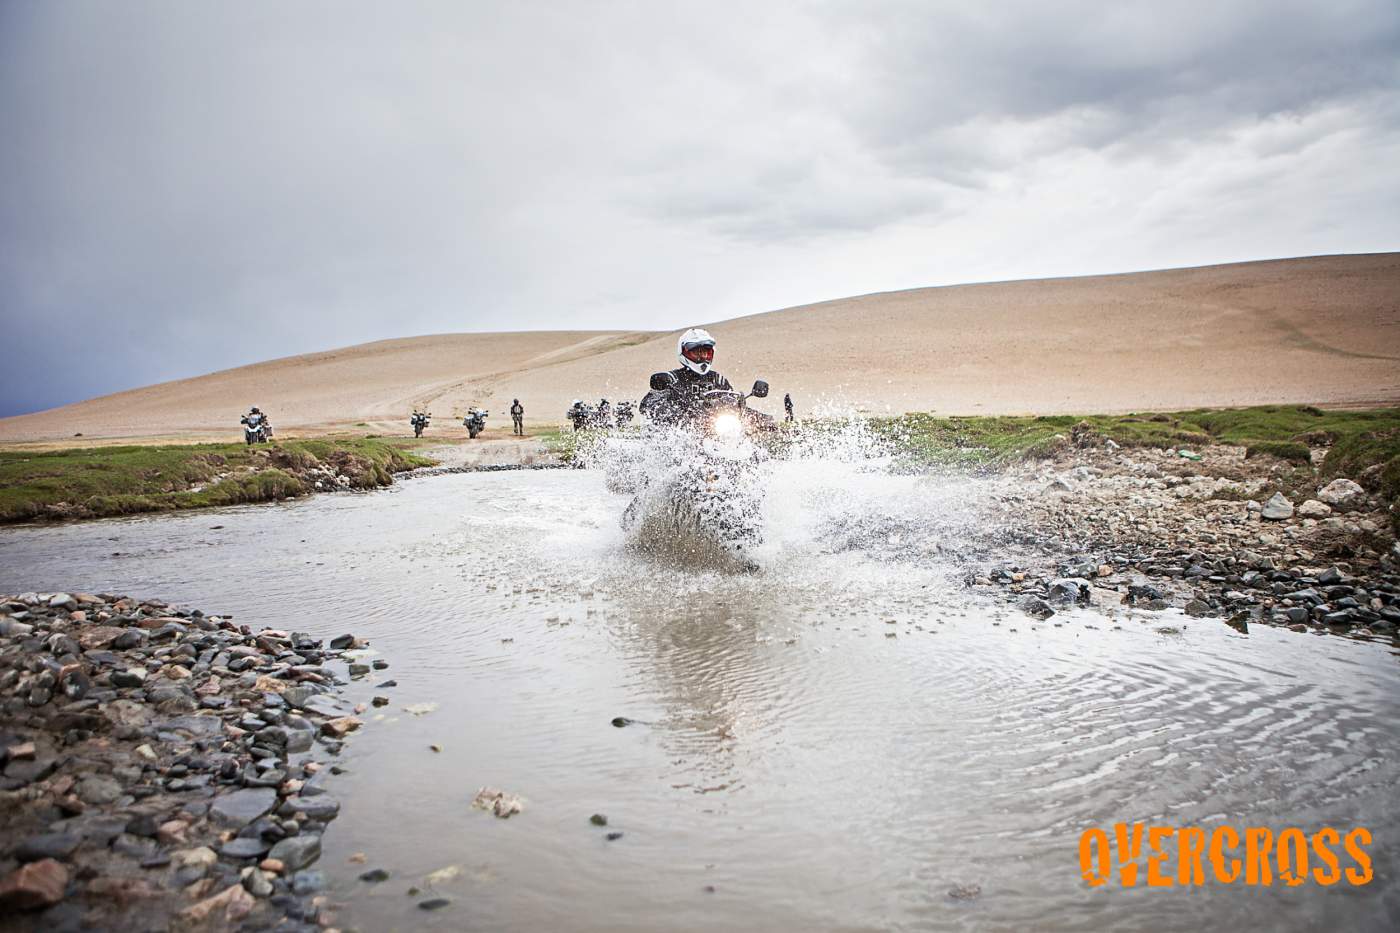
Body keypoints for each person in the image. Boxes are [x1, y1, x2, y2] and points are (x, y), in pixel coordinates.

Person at [639, 328, 733, 424]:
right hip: (678, 433)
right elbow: (645, 406)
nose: (702, 356)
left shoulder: (718, 379)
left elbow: (732, 401)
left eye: (705, 352)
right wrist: (670, 412)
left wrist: (744, 412)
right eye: (696, 352)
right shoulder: (673, 379)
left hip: (715, 428)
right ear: (683, 352)